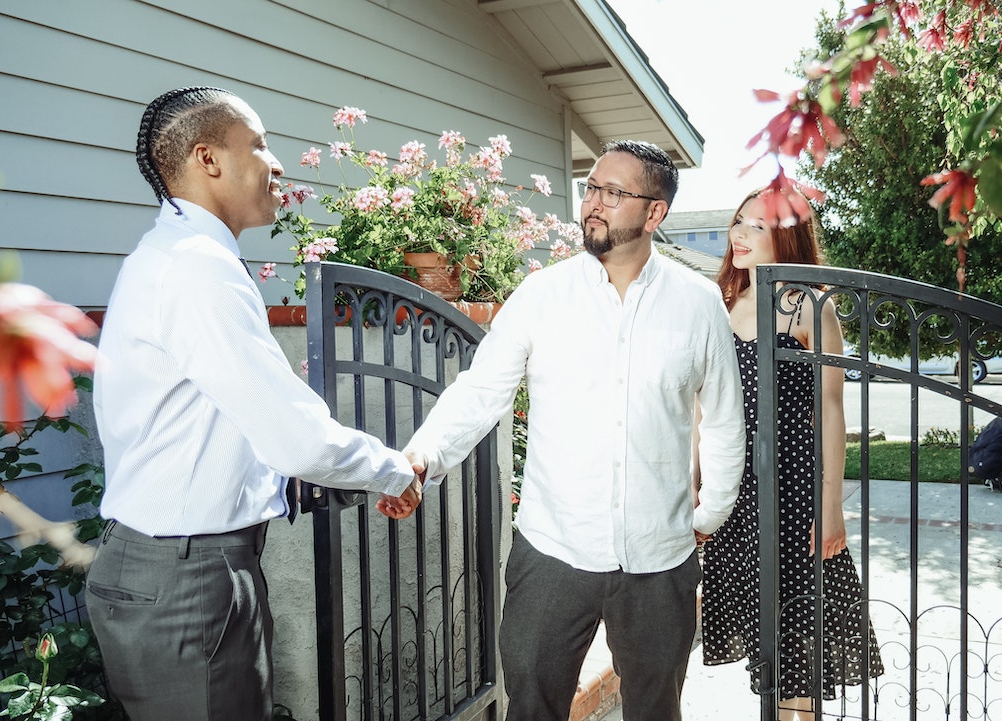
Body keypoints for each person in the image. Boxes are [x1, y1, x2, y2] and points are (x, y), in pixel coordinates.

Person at [85, 86, 423, 721]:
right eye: (260, 145)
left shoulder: (177, 256)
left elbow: (234, 420)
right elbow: (293, 438)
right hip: (187, 577)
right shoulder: (196, 268)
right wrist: (393, 470)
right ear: (208, 159)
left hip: (185, 564)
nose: (278, 163)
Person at [402, 139, 745, 721]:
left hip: (660, 562)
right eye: (591, 189)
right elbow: (482, 390)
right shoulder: (542, 295)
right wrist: (424, 454)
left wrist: (710, 513)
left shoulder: (698, 302)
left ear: (654, 212)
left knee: (656, 709)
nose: (593, 204)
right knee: (532, 704)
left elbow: (724, 420)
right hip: (552, 553)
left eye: (614, 193)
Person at [698, 187, 883, 720]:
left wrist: (832, 507)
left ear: (786, 238)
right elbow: (696, 406)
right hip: (736, 487)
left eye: (758, 226)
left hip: (795, 487)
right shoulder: (720, 303)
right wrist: (694, 482)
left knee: (799, 637)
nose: (740, 234)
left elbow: (831, 411)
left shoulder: (808, 307)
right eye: (740, 221)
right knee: (765, 635)